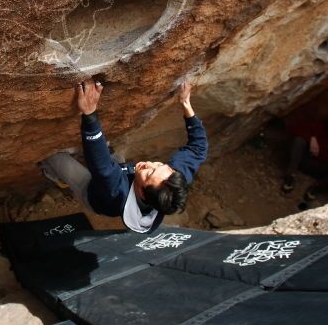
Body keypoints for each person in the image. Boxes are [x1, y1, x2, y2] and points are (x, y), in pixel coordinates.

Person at [40, 79, 208, 234]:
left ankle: (52, 173)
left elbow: (102, 168)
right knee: (113, 153)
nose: (149, 164)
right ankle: (110, 159)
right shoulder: (170, 181)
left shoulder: (116, 194)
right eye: (159, 165)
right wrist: (186, 104)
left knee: (56, 158)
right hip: (121, 175)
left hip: (93, 194)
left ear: (142, 193)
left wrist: (90, 115)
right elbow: (198, 149)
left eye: (149, 173)